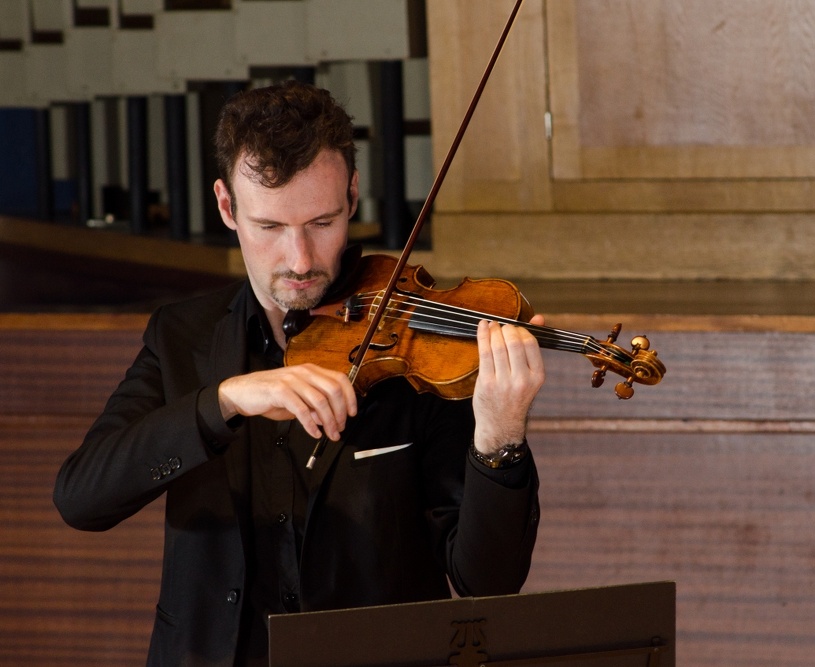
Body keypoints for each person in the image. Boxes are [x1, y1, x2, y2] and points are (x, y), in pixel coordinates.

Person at [53, 80, 545, 667]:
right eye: (270, 228)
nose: (301, 259)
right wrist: (224, 401)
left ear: (353, 195)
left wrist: (499, 437)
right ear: (226, 207)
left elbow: (486, 582)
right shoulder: (181, 336)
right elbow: (82, 498)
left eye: (322, 221)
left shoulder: (416, 347)